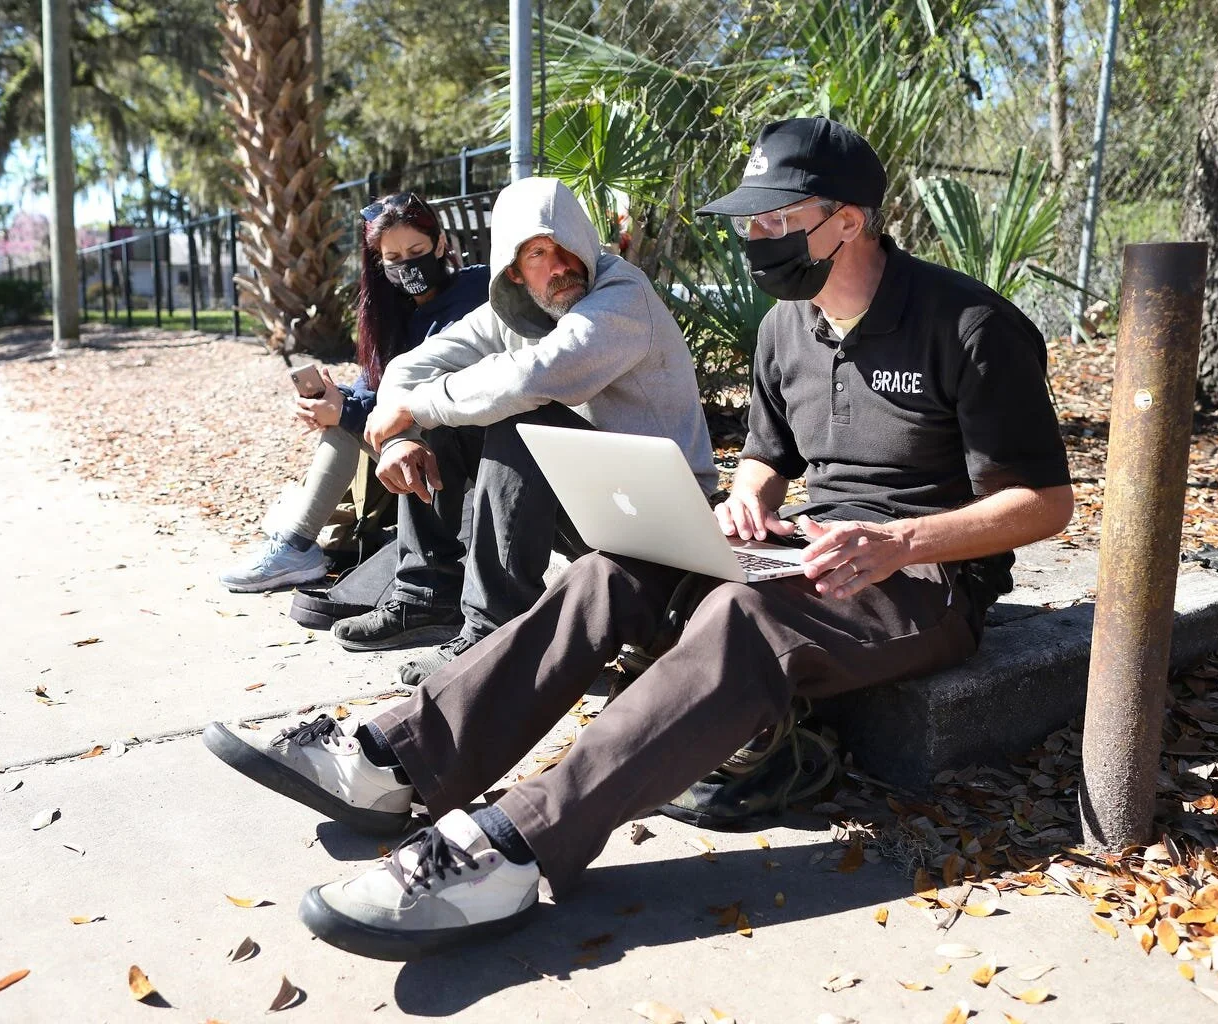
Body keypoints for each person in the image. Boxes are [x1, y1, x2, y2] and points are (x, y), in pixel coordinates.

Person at [203, 117, 1073, 961]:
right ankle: (398, 760)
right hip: (804, 547)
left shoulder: (968, 326)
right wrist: (744, 503)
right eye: (750, 219)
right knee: (611, 570)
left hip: (927, 585)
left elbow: (1044, 504)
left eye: (777, 219)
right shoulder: (786, 327)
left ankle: (514, 846)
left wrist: (899, 543)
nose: (756, 236)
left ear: (849, 219)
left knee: (740, 617)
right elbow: (767, 460)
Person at [325, 175, 717, 669]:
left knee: (519, 421)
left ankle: (496, 637)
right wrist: (402, 435)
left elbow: (536, 376)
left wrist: (417, 408)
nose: (558, 268)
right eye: (535, 255)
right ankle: (427, 594)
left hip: (667, 520)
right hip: (598, 505)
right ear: (513, 269)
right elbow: (410, 366)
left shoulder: (622, 296)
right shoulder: (511, 309)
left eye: (564, 247)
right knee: (450, 417)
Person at [219, 192, 488, 593]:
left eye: (417, 250)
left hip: (462, 457)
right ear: (379, 263)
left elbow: (430, 401)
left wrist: (344, 413)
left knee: (345, 423)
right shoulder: (391, 312)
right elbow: (372, 390)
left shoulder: (474, 291)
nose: (408, 265)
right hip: (413, 447)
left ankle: (296, 546)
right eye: (394, 259)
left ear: (442, 244)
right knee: (341, 415)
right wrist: (332, 401)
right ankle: (297, 544)